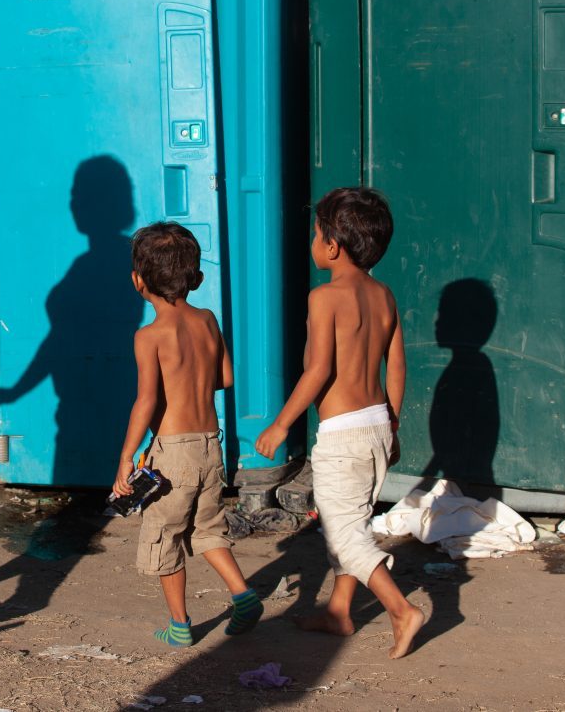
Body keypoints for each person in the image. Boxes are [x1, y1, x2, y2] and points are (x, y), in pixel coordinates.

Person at [255, 187, 424, 659]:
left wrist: (281, 424)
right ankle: (339, 612)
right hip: (374, 424)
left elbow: (319, 370)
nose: (313, 241)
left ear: (332, 246)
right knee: (352, 524)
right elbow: (396, 366)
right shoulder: (382, 295)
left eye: (315, 233)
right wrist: (392, 423)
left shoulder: (325, 297)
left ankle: (401, 610)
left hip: (343, 433)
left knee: (344, 531)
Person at [112, 222, 262, 646]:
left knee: (165, 534)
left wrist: (127, 457)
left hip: (173, 452)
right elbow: (226, 377)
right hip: (210, 445)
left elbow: (145, 402)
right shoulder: (208, 320)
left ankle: (180, 626)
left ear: (138, 281)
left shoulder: (149, 336)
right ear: (195, 278)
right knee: (208, 527)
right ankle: (243, 594)